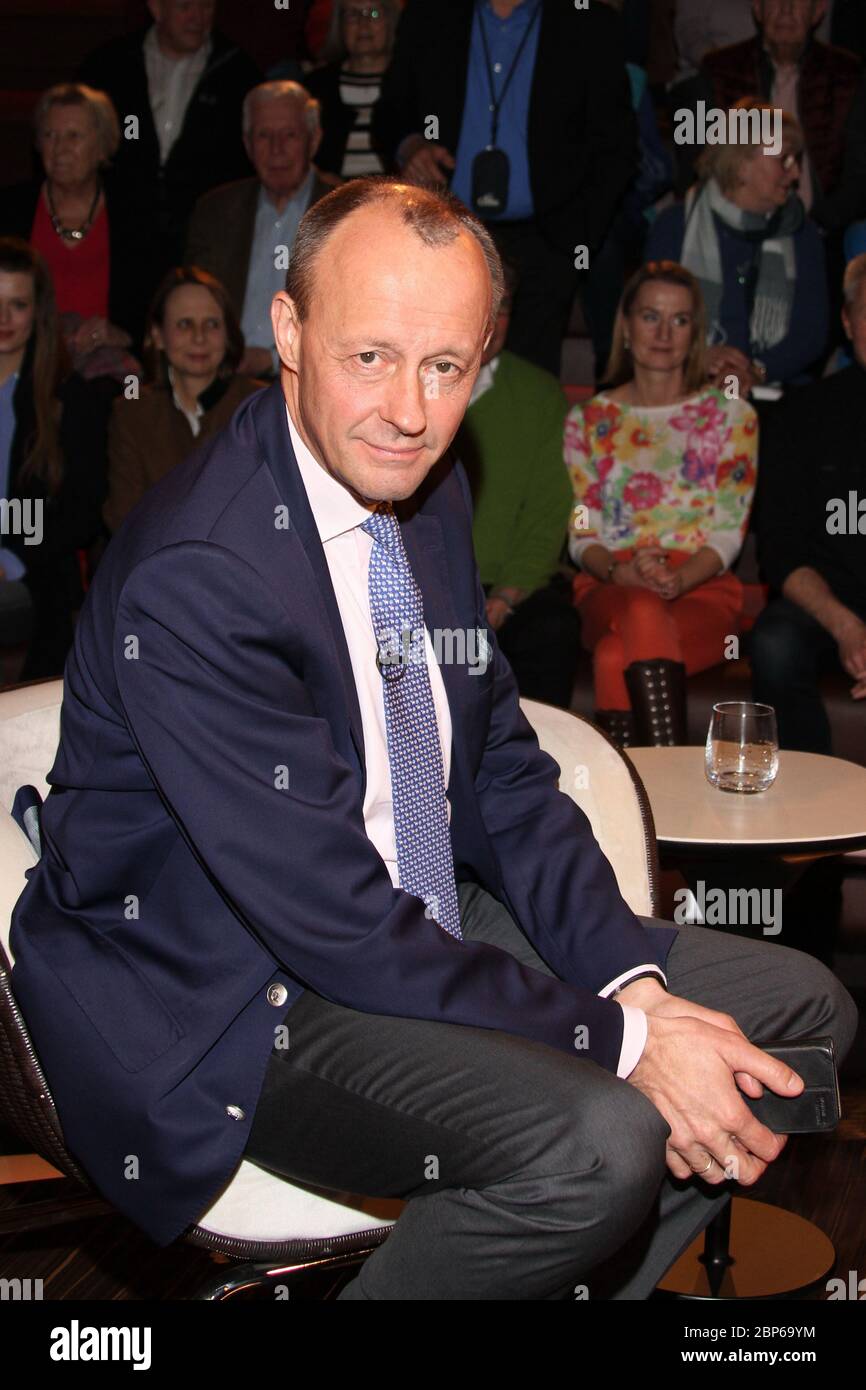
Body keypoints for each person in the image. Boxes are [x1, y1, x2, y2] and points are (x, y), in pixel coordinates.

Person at [8, 180, 856, 1301]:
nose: (408, 410)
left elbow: (500, 771)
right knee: (598, 1140)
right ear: (290, 332)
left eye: (446, 366)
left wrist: (632, 985)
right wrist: (626, 1045)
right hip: (227, 992)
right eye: (371, 356)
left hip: (408, 909)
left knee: (804, 1014)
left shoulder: (428, 488)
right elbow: (335, 926)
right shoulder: (200, 575)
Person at [372, 0, 638, 377]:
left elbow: (618, 146)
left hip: (549, 240)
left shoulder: (589, 23)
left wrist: (574, 239)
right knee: (436, 375)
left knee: (527, 389)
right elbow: (390, 114)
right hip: (446, 234)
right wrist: (411, 146)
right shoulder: (429, 15)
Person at [566, 261, 758, 748]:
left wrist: (678, 578)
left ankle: (633, 812)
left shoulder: (730, 416)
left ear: (695, 333)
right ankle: (672, 797)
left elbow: (728, 532)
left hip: (703, 588)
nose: (664, 333)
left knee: (614, 656)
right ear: (626, 326)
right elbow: (582, 530)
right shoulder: (589, 419)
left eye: (680, 320)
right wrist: (619, 571)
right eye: (650, 316)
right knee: (642, 609)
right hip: (610, 582)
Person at [750, 251, 866, 753]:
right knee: (774, 644)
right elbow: (779, 548)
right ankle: (811, 803)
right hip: (826, 605)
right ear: (847, 321)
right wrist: (847, 627)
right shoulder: (803, 414)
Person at [454, 256, 580, 708]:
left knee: (552, 629)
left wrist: (506, 597)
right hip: (419, 590)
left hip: (509, 592)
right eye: (477, 306)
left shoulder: (540, 396)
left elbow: (548, 516)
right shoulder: (407, 391)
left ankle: (540, 773)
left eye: (502, 308)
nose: (490, 323)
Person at [77, 0, 260, 301]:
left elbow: (246, 169)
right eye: (185, 6)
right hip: (121, 237)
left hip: (204, 239)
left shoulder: (237, 73)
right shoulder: (111, 65)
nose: (197, 18)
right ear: (156, 8)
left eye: (207, 7)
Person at [646, 101, 829, 394]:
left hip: (776, 393)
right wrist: (695, 357)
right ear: (742, 164)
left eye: (796, 160)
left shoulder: (800, 233)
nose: (795, 174)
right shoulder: (676, 227)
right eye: (784, 160)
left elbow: (810, 333)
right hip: (685, 387)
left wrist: (755, 371)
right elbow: (649, 319)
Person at [0, 238, 111, 679]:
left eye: (18, 304)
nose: (3, 319)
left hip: (36, 580)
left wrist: (10, 561)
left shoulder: (69, 398)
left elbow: (82, 512)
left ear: (38, 312)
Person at [185, 82, 337, 380]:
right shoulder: (215, 211)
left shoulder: (343, 212)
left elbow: (348, 316)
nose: (276, 149)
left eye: (290, 135)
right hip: (221, 376)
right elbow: (192, 302)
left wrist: (271, 357)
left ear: (313, 140)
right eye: (264, 135)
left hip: (310, 378)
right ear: (247, 144)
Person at [103, 267, 264, 534]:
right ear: (158, 336)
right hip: (155, 569)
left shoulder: (259, 406)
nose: (198, 338)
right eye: (184, 324)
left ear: (228, 334)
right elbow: (125, 522)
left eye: (211, 324)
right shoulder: (131, 413)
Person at [1, 83, 140, 378]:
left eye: (73, 136)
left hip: (106, 374)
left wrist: (121, 335)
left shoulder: (135, 218)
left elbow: (154, 313)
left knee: (125, 396)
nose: (60, 148)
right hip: (21, 367)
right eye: (50, 135)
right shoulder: (9, 211)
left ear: (102, 145)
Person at [695, 0, 866, 234]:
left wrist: (814, 226)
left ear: (818, 11)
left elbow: (858, 174)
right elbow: (702, 163)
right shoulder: (721, 71)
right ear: (757, 7)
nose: (786, 8)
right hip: (735, 225)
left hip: (825, 231)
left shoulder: (846, 75)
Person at [306, 1, 400, 179]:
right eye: (352, 15)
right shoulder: (316, 86)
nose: (363, 24)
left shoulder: (410, 83)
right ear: (339, 25)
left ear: (391, 21)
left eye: (373, 14)